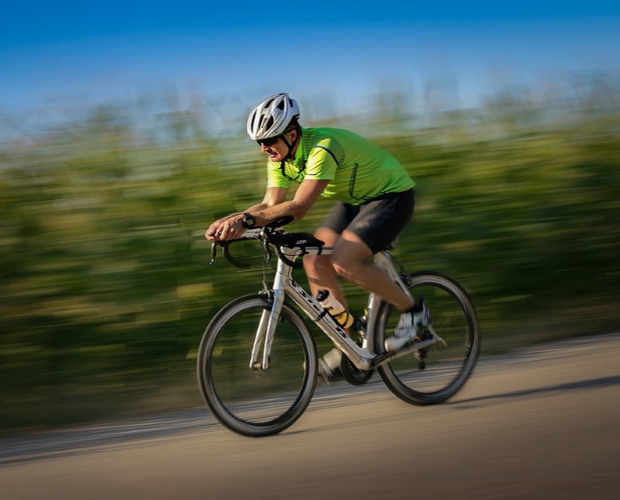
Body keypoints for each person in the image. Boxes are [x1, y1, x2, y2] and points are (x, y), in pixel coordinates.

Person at [205, 93, 427, 381]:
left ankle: (414, 313)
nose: (264, 148)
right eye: (259, 143)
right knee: (314, 257)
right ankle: (345, 347)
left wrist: (247, 220)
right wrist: (232, 220)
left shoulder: (323, 147)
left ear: (292, 134)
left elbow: (298, 208)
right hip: (355, 200)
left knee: (344, 261)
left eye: (269, 141)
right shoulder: (280, 158)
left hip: (391, 196)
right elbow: (270, 205)